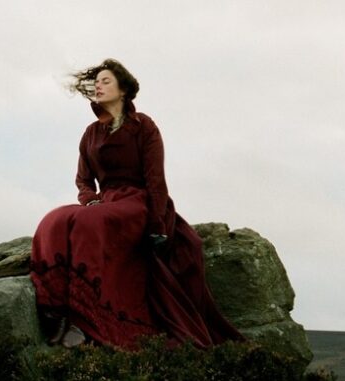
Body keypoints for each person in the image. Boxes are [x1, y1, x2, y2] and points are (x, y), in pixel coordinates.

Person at [30, 59, 243, 349]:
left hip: (138, 202)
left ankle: (86, 317)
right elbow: (83, 180)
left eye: (106, 81)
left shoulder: (144, 126)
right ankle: (55, 311)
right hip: (104, 201)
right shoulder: (91, 133)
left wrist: (158, 224)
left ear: (124, 90)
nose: (99, 86)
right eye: (97, 82)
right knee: (53, 219)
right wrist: (90, 200)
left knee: (90, 223)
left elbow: (155, 179)